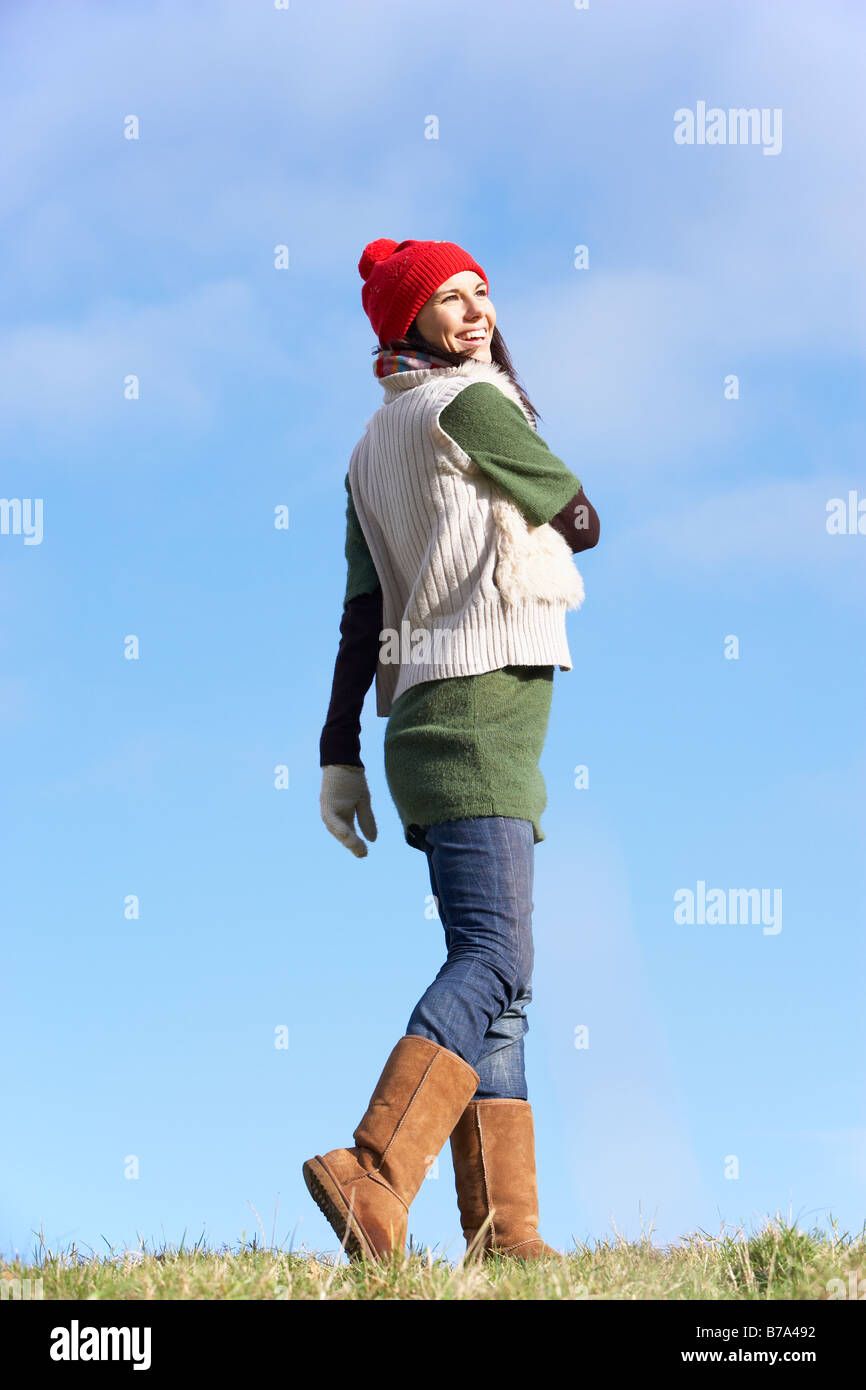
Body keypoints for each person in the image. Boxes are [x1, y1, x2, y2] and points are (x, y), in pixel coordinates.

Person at [303, 238, 600, 1265]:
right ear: (405, 319)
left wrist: (337, 746)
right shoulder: (472, 403)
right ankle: (372, 1170)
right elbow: (580, 513)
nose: (474, 311)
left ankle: (504, 1235)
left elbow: (359, 612)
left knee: (501, 984)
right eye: (447, 297)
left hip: (420, 721)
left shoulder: (369, 444)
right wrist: (562, 513)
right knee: (494, 953)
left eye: (481, 292)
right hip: (480, 705)